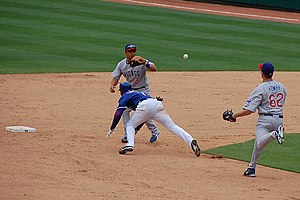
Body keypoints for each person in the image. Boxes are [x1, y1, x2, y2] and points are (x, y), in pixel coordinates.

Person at [223, 62, 286, 177]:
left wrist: (233, 116)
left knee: (259, 142)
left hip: (265, 120)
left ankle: (275, 134)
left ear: (262, 73)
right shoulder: (282, 86)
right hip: (279, 120)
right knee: (258, 145)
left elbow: (249, 110)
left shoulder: (260, 88)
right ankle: (251, 168)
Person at [107, 82, 201, 157]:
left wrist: (112, 128)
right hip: (156, 104)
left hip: (144, 106)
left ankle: (130, 144)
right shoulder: (139, 93)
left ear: (122, 91)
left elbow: (118, 113)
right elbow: (143, 118)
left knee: (130, 125)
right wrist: (137, 129)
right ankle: (190, 140)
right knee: (172, 126)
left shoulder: (125, 96)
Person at [110, 44, 160, 143]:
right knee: (124, 111)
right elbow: (116, 77)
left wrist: (145, 62)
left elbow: (154, 68)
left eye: (134, 51)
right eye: (130, 51)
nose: (132, 53)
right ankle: (127, 134)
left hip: (143, 90)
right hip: (130, 91)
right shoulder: (121, 64)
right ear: (125, 52)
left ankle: (155, 131)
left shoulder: (140, 61)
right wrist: (112, 85)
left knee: (143, 111)